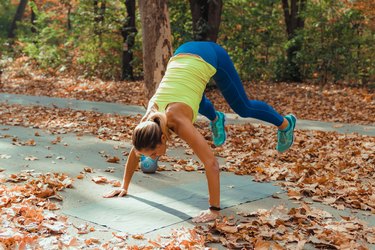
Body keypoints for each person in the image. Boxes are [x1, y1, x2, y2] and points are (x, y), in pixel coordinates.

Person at [103, 41, 296, 223]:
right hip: (182, 54)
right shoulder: (149, 119)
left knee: (243, 107)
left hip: (211, 56)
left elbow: (211, 163)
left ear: (163, 138)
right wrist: (124, 186)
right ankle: (216, 118)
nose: (152, 157)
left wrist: (214, 209)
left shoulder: (179, 122)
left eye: (153, 154)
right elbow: (136, 150)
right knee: (196, 98)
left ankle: (285, 124)